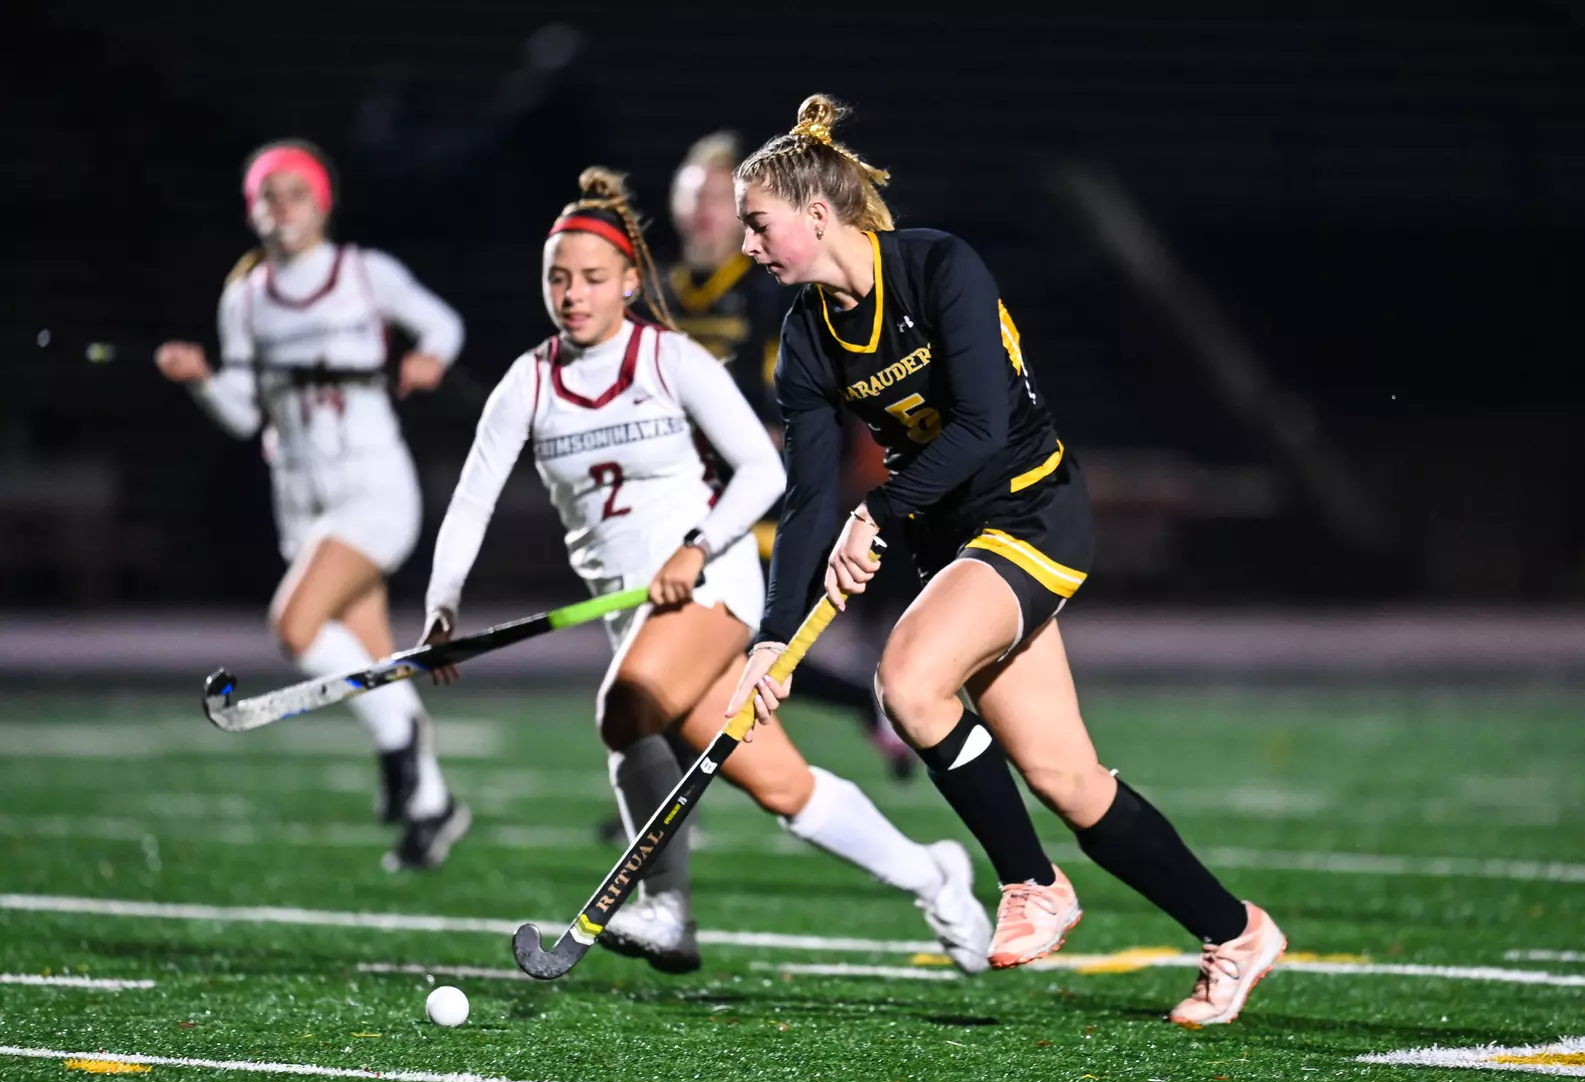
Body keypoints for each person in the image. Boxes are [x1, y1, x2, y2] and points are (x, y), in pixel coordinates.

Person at [726, 96, 1287, 1026]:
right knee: (1070, 781)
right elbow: (807, 501)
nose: (748, 246)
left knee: (907, 683)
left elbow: (984, 426)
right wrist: (771, 639)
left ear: (817, 215)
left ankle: (1032, 883)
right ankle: (1236, 933)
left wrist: (883, 509)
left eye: (758, 223)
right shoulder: (805, 336)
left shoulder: (939, 265)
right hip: (955, 542)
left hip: (1033, 510)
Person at [418, 167, 993, 974]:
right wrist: (442, 611)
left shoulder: (669, 360)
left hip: (714, 584)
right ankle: (936, 876)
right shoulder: (529, 382)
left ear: (628, 282)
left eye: (591, 278)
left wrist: (696, 544)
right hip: (637, 615)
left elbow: (764, 471)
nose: (573, 295)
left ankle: (667, 910)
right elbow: (471, 502)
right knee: (784, 788)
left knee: (624, 708)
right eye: (558, 279)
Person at [154, 139, 469, 872]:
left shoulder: (364, 274)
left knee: (296, 628)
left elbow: (442, 325)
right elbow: (242, 412)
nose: (282, 208)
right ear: (253, 210)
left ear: (321, 202)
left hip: (373, 488)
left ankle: (399, 745)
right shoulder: (247, 298)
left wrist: (429, 360)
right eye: (269, 196)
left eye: (296, 193)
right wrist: (201, 379)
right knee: (372, 658)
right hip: (300, 498)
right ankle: (433, 806)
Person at [664, 131, 913, 780]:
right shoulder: (661, 295)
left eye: (723, 198)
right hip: (693, 502)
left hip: (771, 504)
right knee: (710, 653)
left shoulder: (772, 289)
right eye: (698, 197)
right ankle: (864, 705)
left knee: (736, 648)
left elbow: (800, 413)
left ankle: (673, 796)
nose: (708, 212)